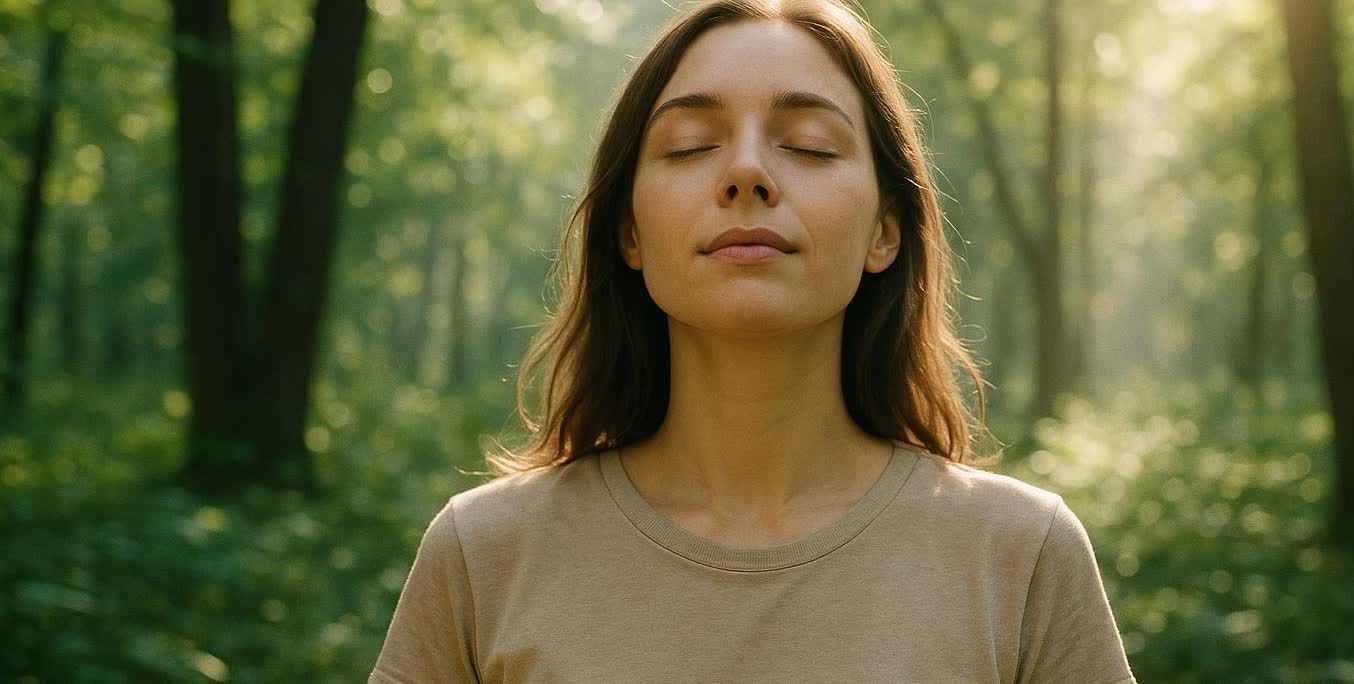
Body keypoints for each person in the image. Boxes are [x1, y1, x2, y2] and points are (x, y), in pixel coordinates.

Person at [370, 0, 1135, 682]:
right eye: (690, 145)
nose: (746, 172)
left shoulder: (1021, 557)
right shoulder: (483, 555)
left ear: (885, 231)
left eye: (807, 145)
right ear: (629, 232)